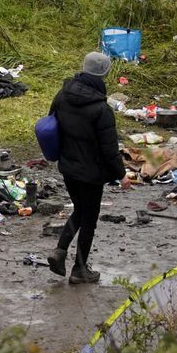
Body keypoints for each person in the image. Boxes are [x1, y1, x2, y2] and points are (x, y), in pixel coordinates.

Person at [46, 52, 130, 284]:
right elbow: (109, 149)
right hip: (91, 174)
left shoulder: (63, 94)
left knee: (79, 211)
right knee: (89, 219)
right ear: (104, 74)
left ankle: (60, 251)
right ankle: (79, 269)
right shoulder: (101, 110)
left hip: (68, 168)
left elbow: (50, 122)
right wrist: (121, 175)